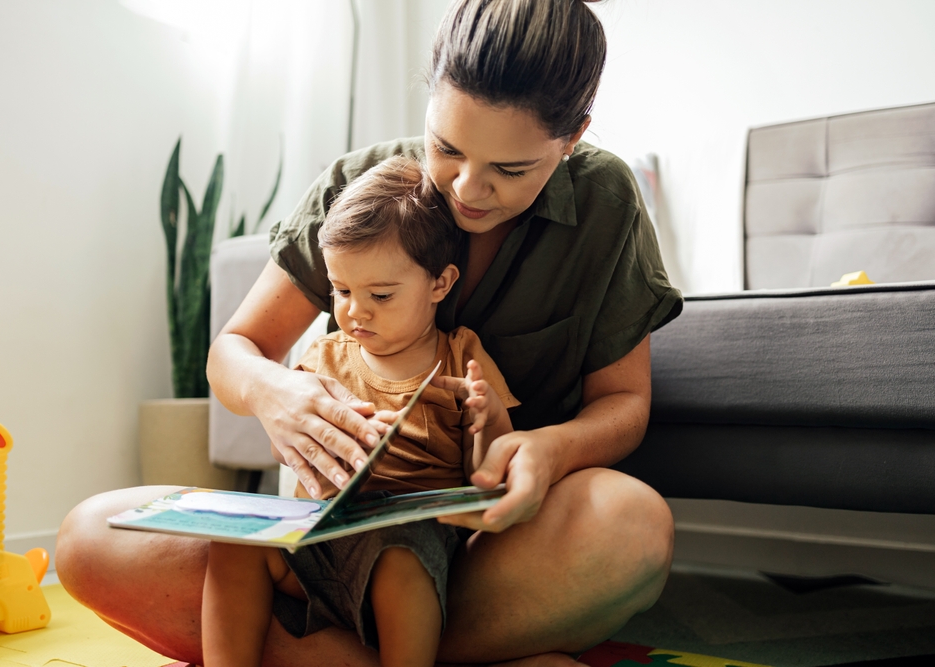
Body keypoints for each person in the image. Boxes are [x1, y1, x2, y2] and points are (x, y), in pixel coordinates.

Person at [56, 0, 684, 665]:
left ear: (572, 138)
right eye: (447, 147)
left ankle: (334, 653)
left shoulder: (605, 202)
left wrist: (546, 452)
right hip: (322, 548)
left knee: (633, 526)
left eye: (512, 170)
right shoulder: (358, 186)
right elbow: (234, 352)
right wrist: (274, 392)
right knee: (87, 537)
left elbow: (624, 403)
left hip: (487, 549)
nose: (468, 188)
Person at [202, 155, 519, 667]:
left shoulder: (462, 354)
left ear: (439, 284)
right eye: (341, 291)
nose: (355, 311)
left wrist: (490, 420)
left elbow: (491, 467)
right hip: (319, 539)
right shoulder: (323, 357)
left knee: (400, 558)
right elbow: (287, 451)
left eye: (380, 294)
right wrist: (313, 440)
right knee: (233, 544)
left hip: (411, 545)